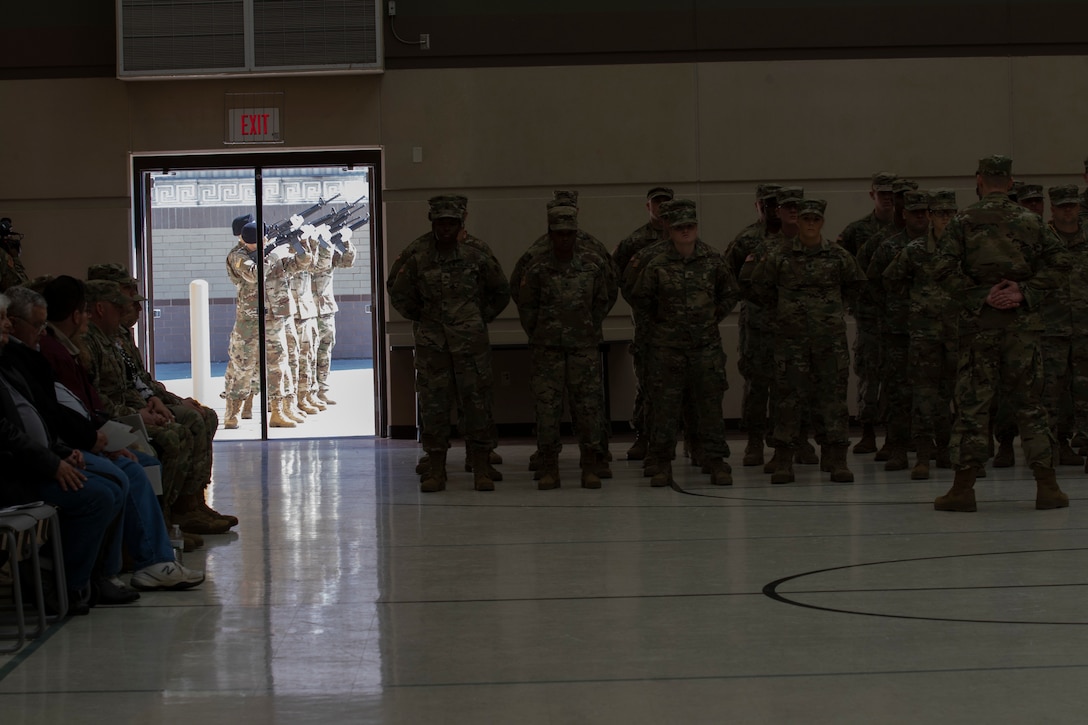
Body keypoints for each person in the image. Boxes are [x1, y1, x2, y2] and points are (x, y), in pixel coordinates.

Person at [3, 286, 205, 595]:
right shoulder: (40, 354)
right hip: (32, 465)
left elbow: (60, 410)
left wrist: (150, 403)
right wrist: (67, 452)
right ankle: (94, 578)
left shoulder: (45, 352)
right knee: (116, 481)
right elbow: (36, 421)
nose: (132, 311)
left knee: (133, 467)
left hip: (63, 447)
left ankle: (149, 550)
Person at [931, 155, 1070, 512]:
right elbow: (1060, 263)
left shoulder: (962, 221)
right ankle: (1047, 487)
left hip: (980, 328)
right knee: (1031, 406)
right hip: (1022, 329)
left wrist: (982, 295)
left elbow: (943, 268)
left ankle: (963, 490)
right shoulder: (1031, 221)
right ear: (1010, 183)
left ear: (979, 180)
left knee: (973, 407)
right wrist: (1024, 291)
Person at [87, 263, 235, 533]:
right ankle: (165, 517)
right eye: (124, 300)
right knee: (175, 434)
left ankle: (190, 504)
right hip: (119, 414)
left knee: (204, 414)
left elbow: (141, 380)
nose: (133, 307)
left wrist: (170, 401)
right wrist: (143, 411)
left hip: (139, 405)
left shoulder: (118, 336)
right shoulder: (91, 340)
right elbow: (94, 396)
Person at [0, 292, 123, 614]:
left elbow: (36, 418)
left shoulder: (8, 365)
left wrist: (62, 451)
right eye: (2, 320)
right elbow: (7, 434)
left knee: (111, 484)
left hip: (37, 461)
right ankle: (67, 586)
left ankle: (82, 578)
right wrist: (52, 463)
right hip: (13, 474)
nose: (7, 326)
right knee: (97, 496)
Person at [388, 196, 510, 492]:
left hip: (471, 346)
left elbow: (500, 291)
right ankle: (436, 467)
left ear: (461, 223)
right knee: (433, 407)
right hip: (433, 346)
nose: (445, 228)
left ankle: (480, 465)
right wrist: (424, 318)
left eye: (451, 223)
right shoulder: (417, 253)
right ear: (432, 222)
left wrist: (477, 320)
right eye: (440, 222)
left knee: (477, 404)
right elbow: (397, 289)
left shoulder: (476, 252)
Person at [745, 199, 867, 484]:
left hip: (829, 341)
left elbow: (857, 286)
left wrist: (834, 311)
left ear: (822, 222)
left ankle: (836, 459)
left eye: (816, 219)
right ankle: (785, 461)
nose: (811, 224)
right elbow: (759, 289)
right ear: (797, 222)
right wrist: (782, 315)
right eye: (806, 219)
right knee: (787, 399)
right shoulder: (779, 256)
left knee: (833, 401)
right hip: (791, 342)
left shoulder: (838, 256)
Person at [626, 199, 739, 488]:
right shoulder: (656, 263)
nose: (685, 231)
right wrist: (660, 328)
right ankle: (661, 461)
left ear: (696, 227)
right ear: (669, 229)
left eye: (690, 226)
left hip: (705, 348)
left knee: (709, 406)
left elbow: (729, 293)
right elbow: (641, 300)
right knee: (664, 407)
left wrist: (713, 316)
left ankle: (715, 459)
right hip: (666, 349)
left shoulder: (712, 260)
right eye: (679, 227)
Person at [516, 204, 618, 489]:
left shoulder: (591, 264)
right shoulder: (537, 267)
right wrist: (539, 331)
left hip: (583, 348)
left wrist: (588, 325)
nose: (564, 239)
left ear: (576, 234)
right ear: (550, 234)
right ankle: (550, 467)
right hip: (546, 349)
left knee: (588, 409)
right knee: (547, 411)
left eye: (569, 233)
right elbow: (526, 304)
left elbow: (605, 297)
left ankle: (590, 466)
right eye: (559, 234)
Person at [882, 189, 959, 479]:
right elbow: (891, 280)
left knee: (956, 396)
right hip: (924, 336)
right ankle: (923, 456)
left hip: (957, 335)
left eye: (950, 213)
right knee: (923, 396)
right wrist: (915, 305)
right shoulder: (915, 250)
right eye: (940, 214)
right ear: (930, 216)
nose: (946, 219)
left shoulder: (966, 250)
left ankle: (950, 451)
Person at [866, 189, 933, 471]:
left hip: (933, 332)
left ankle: (928, 448)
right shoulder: (889, 247)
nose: (920, 216)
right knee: (897, 392)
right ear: (903, 215)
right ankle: (897, 447)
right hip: (898, 333)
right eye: (915, 211)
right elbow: (872, 286)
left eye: (924, 212)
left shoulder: (944, 245)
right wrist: (892, 312)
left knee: (931, 392)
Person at [613, 186, 674, 461]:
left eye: (666, 202)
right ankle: (643, 436)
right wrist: (639, 301)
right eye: (656, 202)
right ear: (647, 206)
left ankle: (687, 439)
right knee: (647, 380)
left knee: (684, 382)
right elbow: (615, 274)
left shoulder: (683, 234)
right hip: (648, 324)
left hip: (682, 323)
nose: (661, 207)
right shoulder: (636, 241)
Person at [723, 183, 782, 467]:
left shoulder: (797, 237)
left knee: (792, 385)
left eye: (777, 204)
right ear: (757, 206)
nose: (772, 209)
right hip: (757, 326)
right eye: (766, 204)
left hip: (790, 326)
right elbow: (725, 277)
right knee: (757, 386)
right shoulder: (746, 240)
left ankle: (793, 440)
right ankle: (755, 441)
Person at [837, 173, 896, 454]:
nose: (888, 197)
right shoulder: (856, 231)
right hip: (870, 316)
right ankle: (869, 432)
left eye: (893, 193)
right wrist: (852, 303)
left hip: (902, 315)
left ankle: (897, 436)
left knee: (900, 377)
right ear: (872, 194)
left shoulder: (910, 228)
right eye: (882, 193)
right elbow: (840, 267)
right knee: (869, 374)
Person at [1040, 185, 1084, 466]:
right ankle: (1054, 446)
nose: (1068, 210)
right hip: (1051, 329)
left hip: (1085, 329)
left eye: (1072, 205)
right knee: (1051, 393)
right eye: (1062, 206)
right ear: (1052, 209)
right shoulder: (1041, 241)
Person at [312, 216, 358, 406]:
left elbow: (347, 261)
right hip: (307, 311)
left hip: (326, 309)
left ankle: (322, 389)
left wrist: (346, 241)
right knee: (307, 354)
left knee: (325, 350)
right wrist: (321, 244)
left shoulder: (328, 249)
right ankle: (306, 392)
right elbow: (316, 264)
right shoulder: (310, 251)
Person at [221, 213, 260, 428]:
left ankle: (248, 405)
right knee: (242, 365)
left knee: (259, 368)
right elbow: (253, 274)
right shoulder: (238, 255)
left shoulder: (255, 252)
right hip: (247, 318)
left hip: (268, 316)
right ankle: (232, 411)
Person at [0, 217, 29, 292]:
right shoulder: (3, 256)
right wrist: (16, 258)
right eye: (9, 236)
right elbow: (20, 286)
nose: (12, 240)